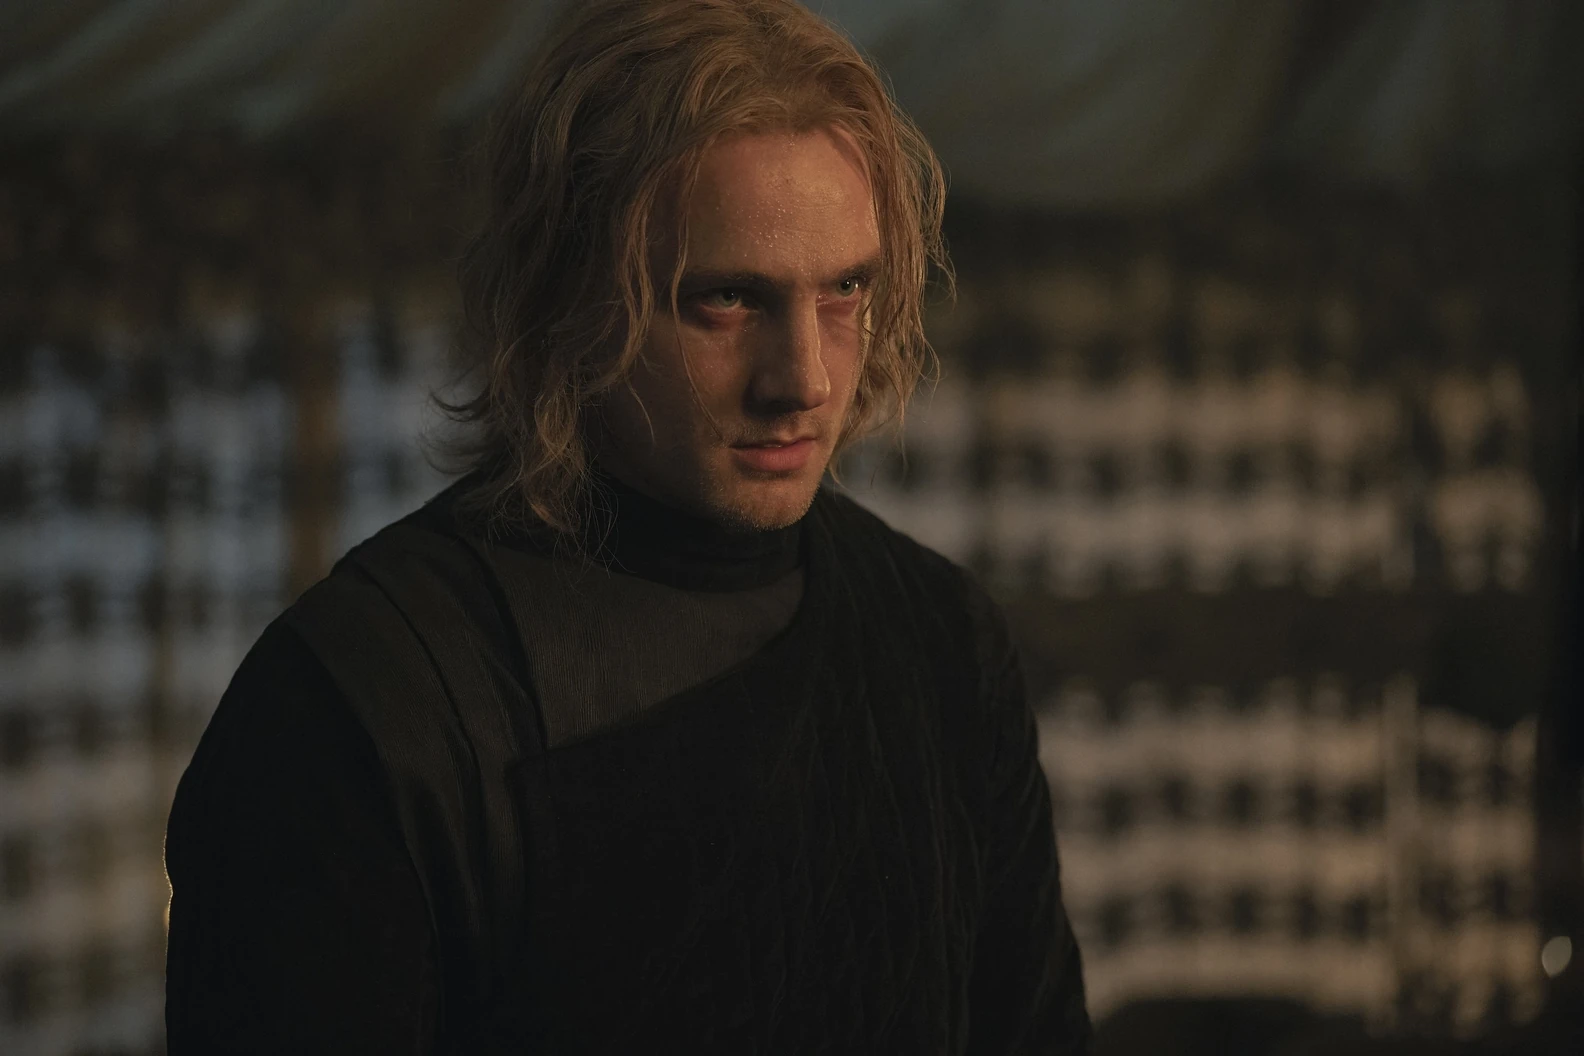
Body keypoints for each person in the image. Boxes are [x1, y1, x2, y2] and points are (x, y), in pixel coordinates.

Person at [163, 0, 1091, 1051]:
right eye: (726, 299)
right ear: (574, 298)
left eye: (845, 288)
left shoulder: (939, 637)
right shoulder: (371, 698)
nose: (804, 378)